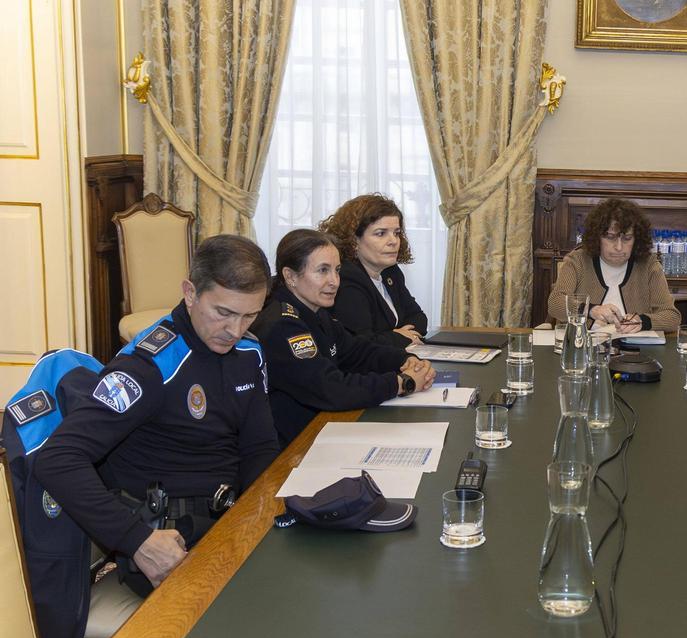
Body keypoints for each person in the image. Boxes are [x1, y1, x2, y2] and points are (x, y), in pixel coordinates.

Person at [33, 234, 281, 596]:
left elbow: (259, 447)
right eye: (223, 313)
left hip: (228, 524)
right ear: (190, 292)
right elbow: (58, 459)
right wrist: (137, 540)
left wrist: (258, 518)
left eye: (250, 316)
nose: (235, 330)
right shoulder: (146, 367)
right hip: (167, 542)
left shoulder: (248, 353)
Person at [252, 229, 436, 447]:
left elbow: (356, 352)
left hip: (323, 428)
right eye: (322, 271)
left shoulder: (316, 310)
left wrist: (403, 360)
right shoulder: (283, 324)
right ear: (290, 276)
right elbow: (330, 388)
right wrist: (401, 383)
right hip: (295, 446)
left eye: (337, 270)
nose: (334, 281)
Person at [547, 198, 681, 332]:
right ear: (597, 237)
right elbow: (555, 303)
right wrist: (592, 310)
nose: (619, 247)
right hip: (585, 347)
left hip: (635, 349)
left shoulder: (649, 265)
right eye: (610, 237)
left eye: (627, 238)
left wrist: (642, 322)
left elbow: (672, 317)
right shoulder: (578, 260)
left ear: (637, 239)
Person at [319, 194, 428, 349]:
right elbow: (362, 342)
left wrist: (399, 336)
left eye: (396, 233)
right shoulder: (346, 278)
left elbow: (418, 317)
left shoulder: (391, 272)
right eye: (381, 233)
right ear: (354, 240)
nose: (393, 241)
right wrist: (400, 337)